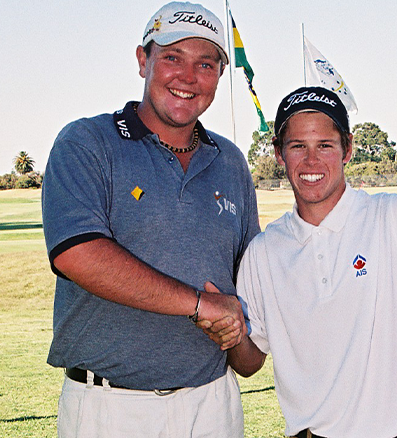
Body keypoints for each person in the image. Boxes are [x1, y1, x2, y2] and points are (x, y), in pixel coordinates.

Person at [201, 87, 397, 438]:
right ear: (279, 155)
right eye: (298, 146)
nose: (311, 162)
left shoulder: (396, 216)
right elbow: (250, 362)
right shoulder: (263, 252)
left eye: (325, 145)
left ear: (348, 149)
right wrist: (232, 330)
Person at [41, 2, 259, 437]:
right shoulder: (87, 141)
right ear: (144, 61)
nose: (188, 77)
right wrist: (199, 304)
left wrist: (238, 334)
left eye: (206, 63)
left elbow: (247, 282)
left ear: (219, 75)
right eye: (172, 57)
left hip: (213, 403)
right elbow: (77, 254)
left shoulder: (231, 162)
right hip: (111, 407)